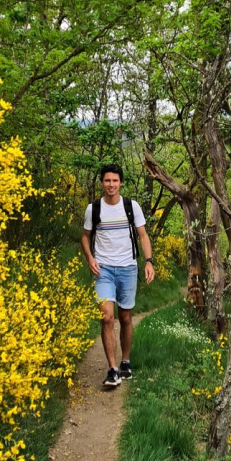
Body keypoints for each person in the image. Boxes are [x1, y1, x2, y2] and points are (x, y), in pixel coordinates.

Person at [81, 164, 154, 388]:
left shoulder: (131, 207)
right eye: (107, 181)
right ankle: (112, 369)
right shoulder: (93, 209)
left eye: (115, 181)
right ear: (101, 183)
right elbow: (85, 236)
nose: (111, 185)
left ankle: (125, 361)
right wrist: (90, 258)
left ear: (121, 183)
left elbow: (143, 235)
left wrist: (148, 262)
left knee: (125, 317)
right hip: (103, 270)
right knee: (106, 317)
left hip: (128, 269)